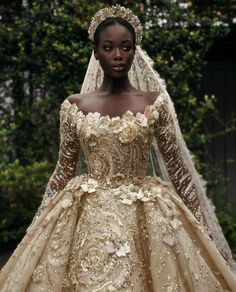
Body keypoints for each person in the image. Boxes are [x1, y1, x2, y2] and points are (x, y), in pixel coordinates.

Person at [0, 5, 236, 291]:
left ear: (135, 51)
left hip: (146, 214)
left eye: (126, 47)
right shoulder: (74, 107)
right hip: (88, 214)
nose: (118, 55)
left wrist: (205, 233)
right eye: (109, 48)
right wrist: (37, 228)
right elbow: (63, 170)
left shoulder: (154, 104)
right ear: (96, 52)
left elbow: (179, 171)